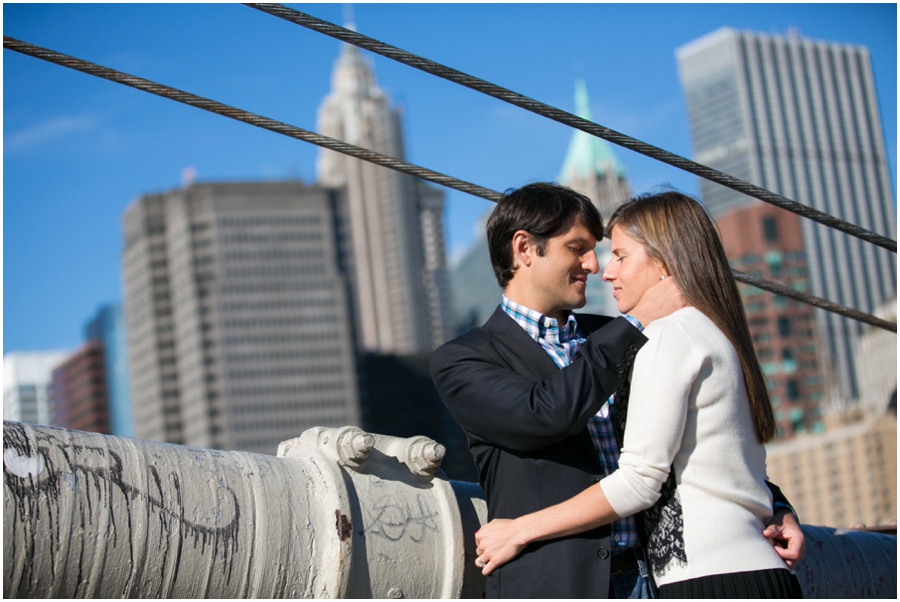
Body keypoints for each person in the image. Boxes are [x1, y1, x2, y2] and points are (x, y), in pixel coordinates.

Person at [430, 183, 805, 599]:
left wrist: (775, 504)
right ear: (524, 249)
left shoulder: (619, 335)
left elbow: (699, 433)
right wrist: (638, 320)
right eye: (577, 248)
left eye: (600, 250)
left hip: (664, 576)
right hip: (559, 586)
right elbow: (544, 413)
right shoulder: (463, 359)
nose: (594, 264)